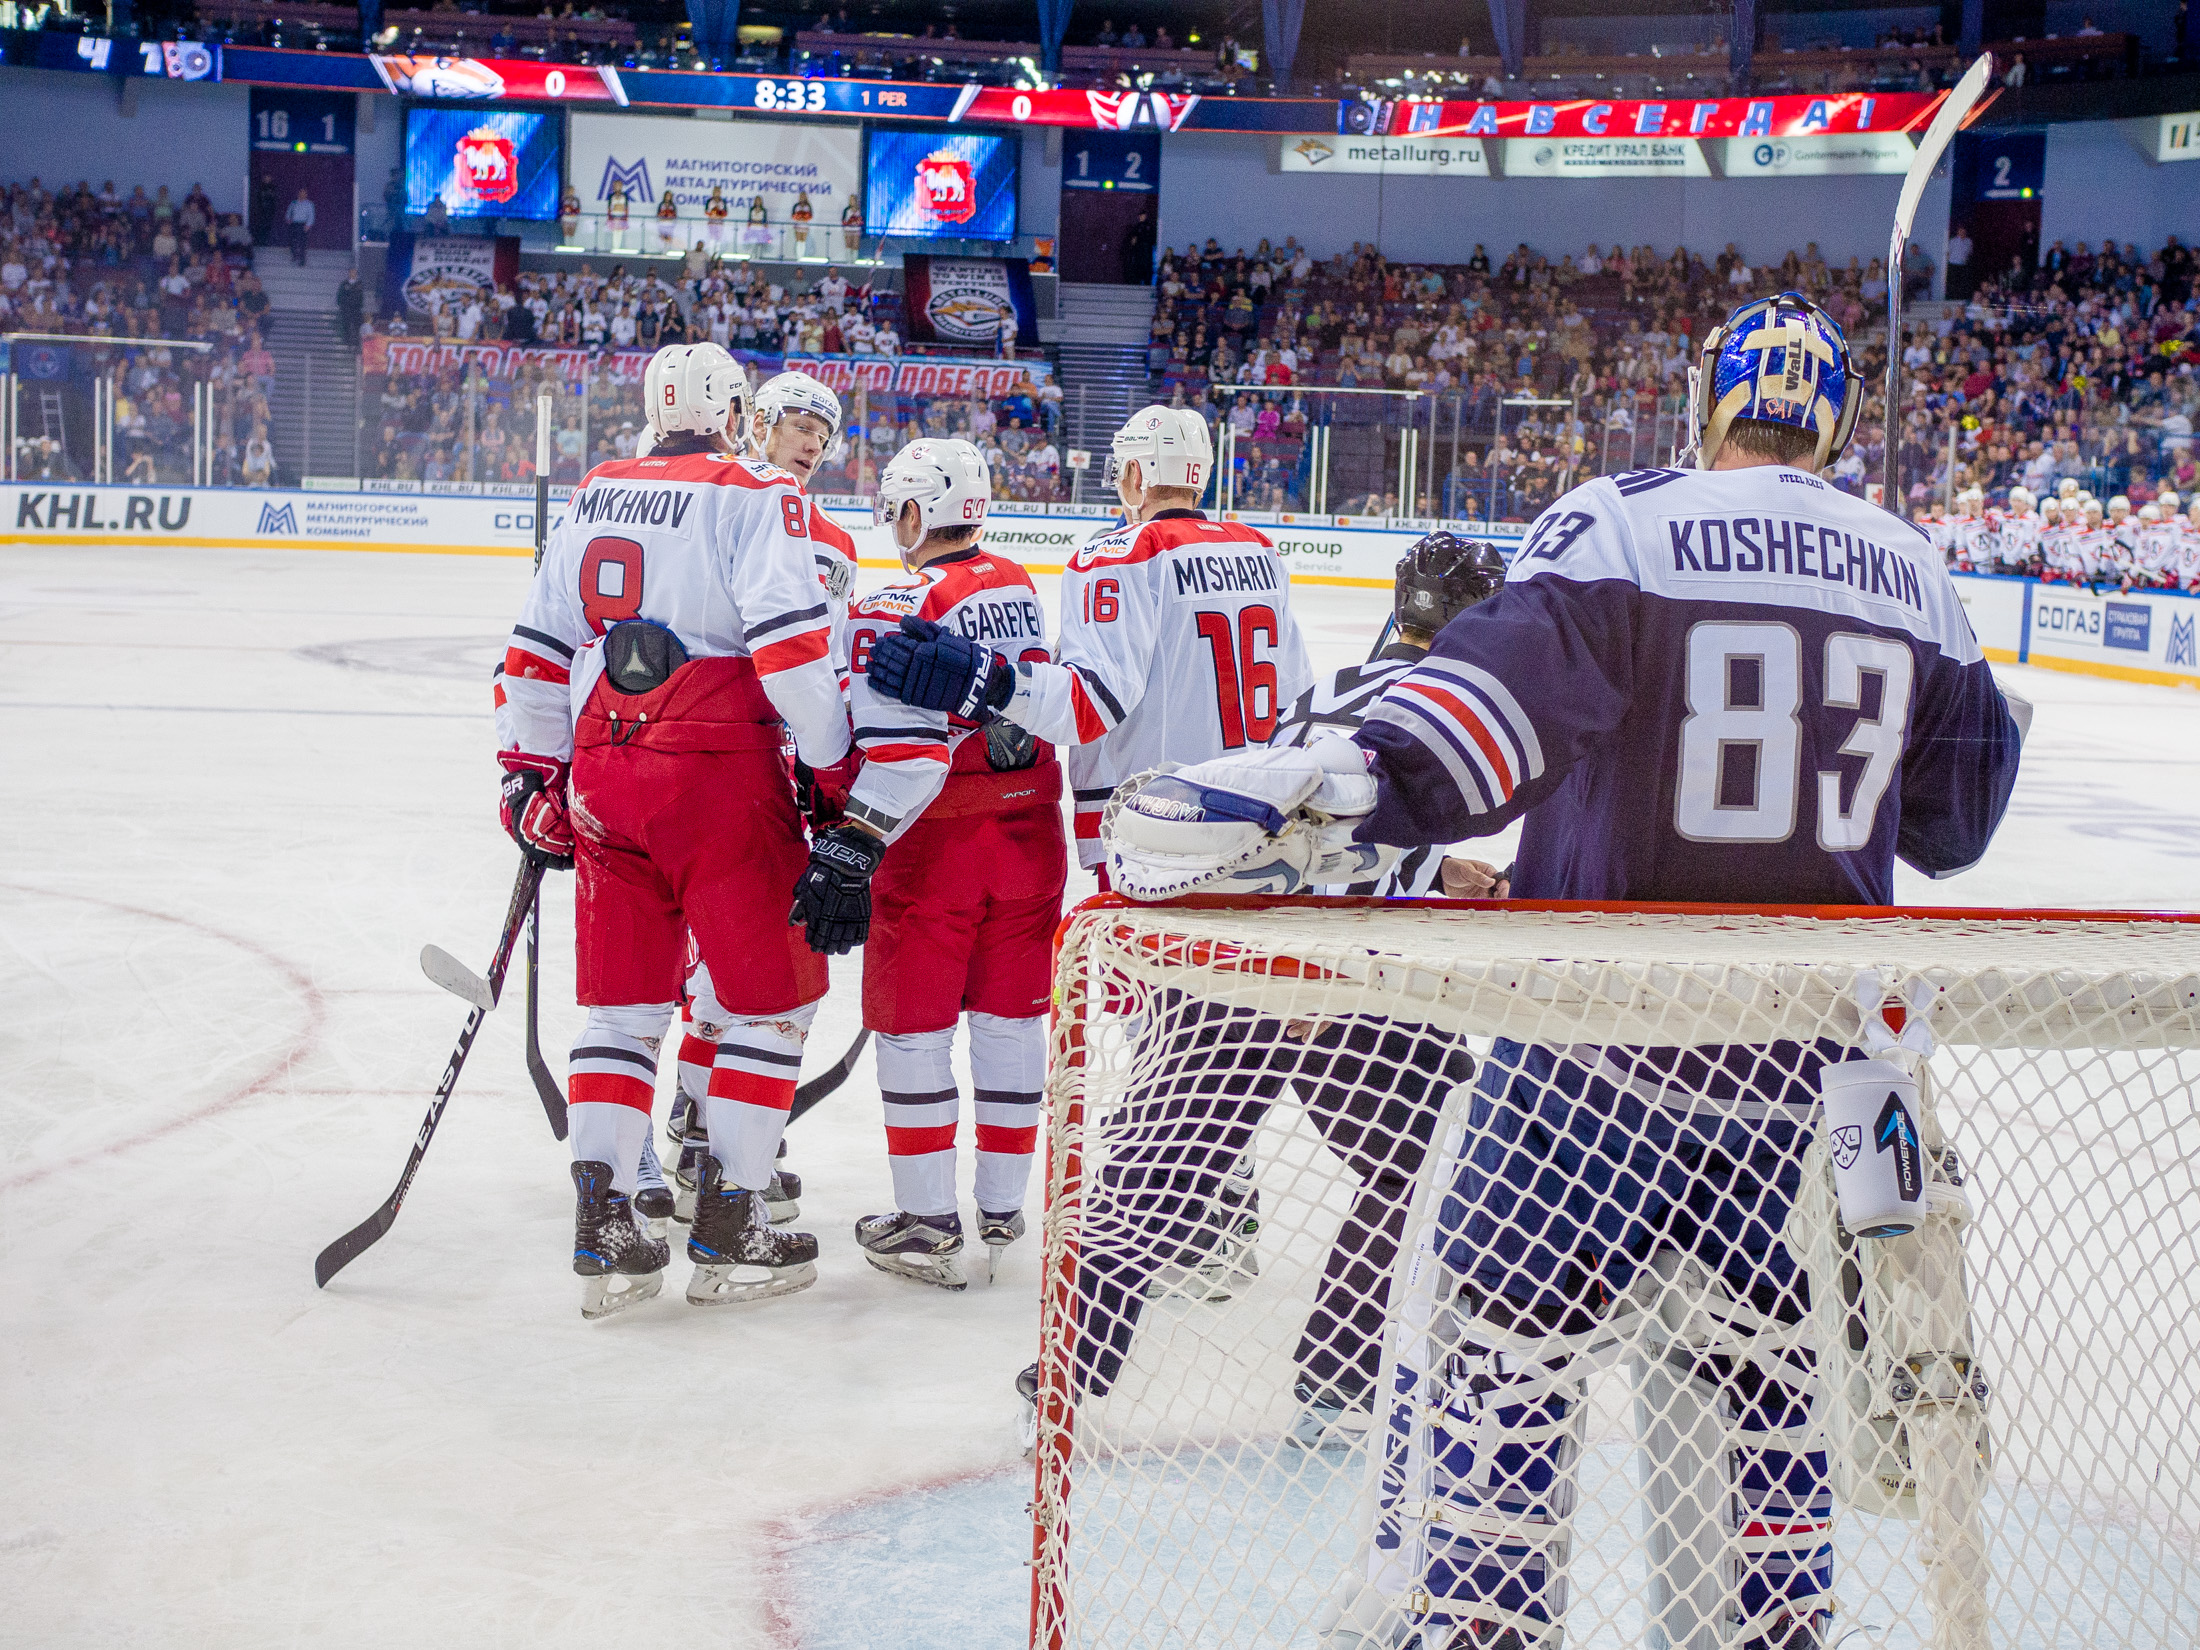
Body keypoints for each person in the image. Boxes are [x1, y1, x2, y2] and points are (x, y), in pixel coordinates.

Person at [1102, 293, 2027, 1650]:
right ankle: (1775, 1630)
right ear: (1831, 413)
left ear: (1710, 396)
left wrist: (1345, 784)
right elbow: (1958, 823)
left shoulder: (1631, 520)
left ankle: (1485, 1627)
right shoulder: (1915, 569)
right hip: (1803, 1080)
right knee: (1774, 1385)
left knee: (1504, 1353)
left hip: (1597, 1056)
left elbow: (1486, 729)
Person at [493, 342, 851, 1320]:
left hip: (604, 776)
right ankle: (732, 1218)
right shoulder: (754, 493)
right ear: (737, 411)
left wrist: (527, 778)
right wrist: (831, 771)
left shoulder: (597, 489)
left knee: (620, 1013)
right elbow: (789, 651)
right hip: (720, 775)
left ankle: (605, 1229)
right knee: (768, 1006)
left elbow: (534, 648)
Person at [832, 439, 1066, 1290]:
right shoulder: (1016, 584)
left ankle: (928, 1220)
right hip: (1034, 831)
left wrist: (853, 833)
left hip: (938, 839)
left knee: (915, 1028)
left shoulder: (905, 594)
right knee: (1010, 1023)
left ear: (913, 512)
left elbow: (901, 752)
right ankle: (1003, 1205)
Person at [662, 368, 859, 1230]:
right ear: (757, 424)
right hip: (716, 751)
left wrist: (832, 762)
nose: (810, 438)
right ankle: (700, 1125)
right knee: (721, 965)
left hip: (787, 764)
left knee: (760, 961)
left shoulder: (836, 541)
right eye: (796, 423)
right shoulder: (719, 500)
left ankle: (722, 1129)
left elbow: (829, 659)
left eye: (823, 427)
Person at [284, 188, 315, 266]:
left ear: (306, 195)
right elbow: (288, 212)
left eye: (304, 193)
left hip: (303, 224)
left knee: (302, 243)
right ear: (298, 194)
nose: (302, 194)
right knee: (292, 241)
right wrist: (288, 219)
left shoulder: (309, 204)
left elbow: (311, 215)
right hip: (294, 224)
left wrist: (308, 225)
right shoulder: (294, 203)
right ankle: (294, 256)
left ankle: (302, 260)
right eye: (300, 193)